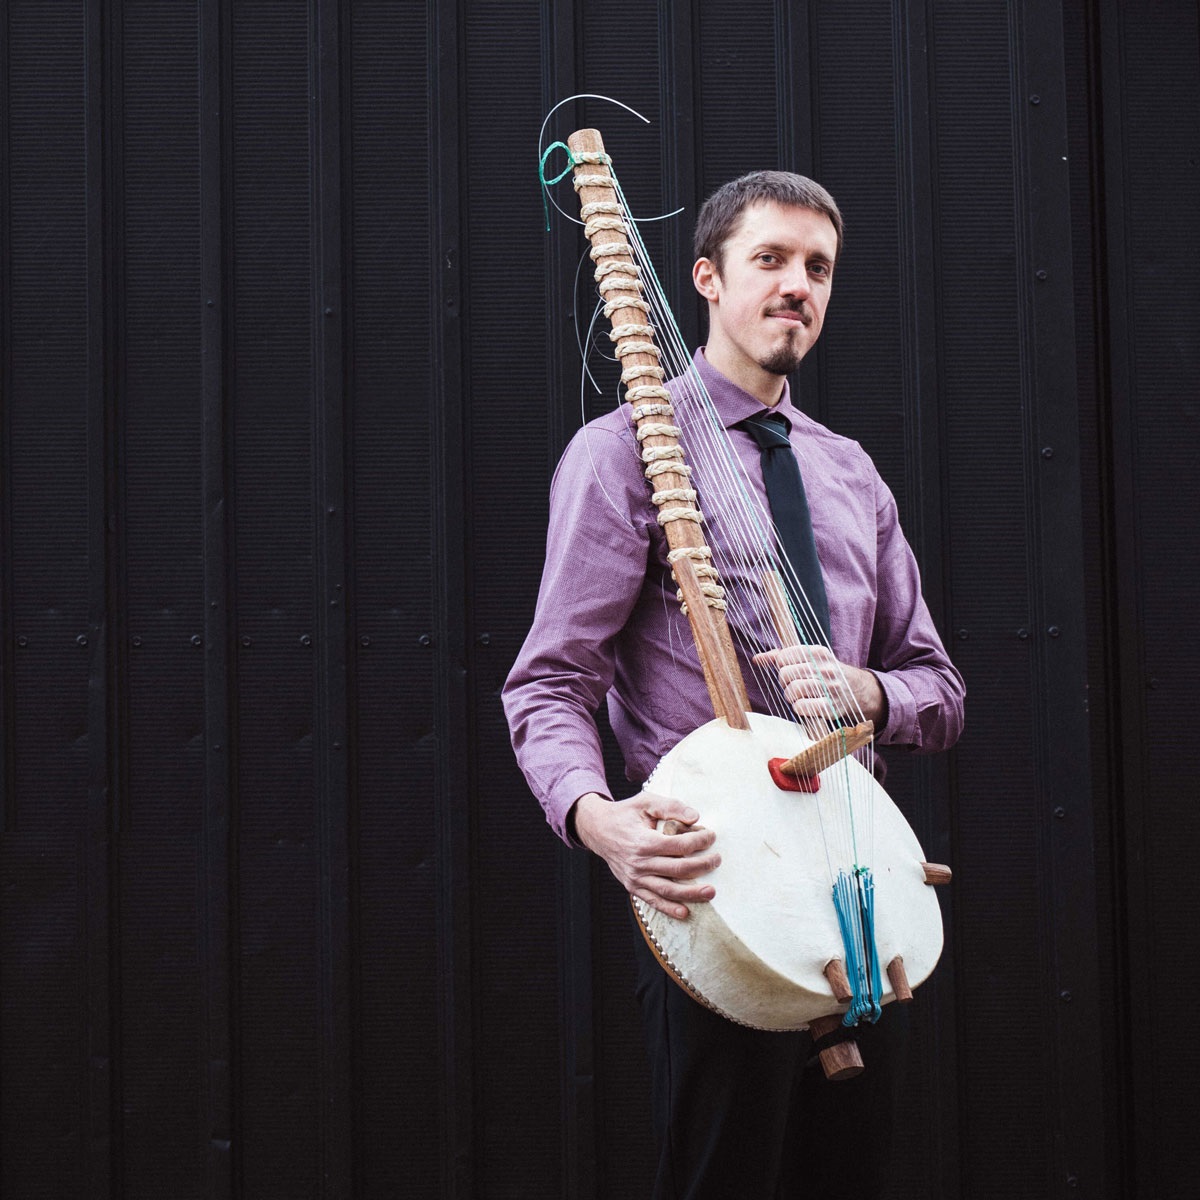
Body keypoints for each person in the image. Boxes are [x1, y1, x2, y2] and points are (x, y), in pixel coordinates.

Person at [503, 171, 965, 1198]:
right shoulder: (626, 452)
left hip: (857, 900)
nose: (797, 285)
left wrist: (872, 694)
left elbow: (939, 684)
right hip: (718, 892)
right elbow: (548, 683)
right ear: (706, 277)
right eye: (771, 260)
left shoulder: (851, 474)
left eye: (818, 268)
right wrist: (597, 819)